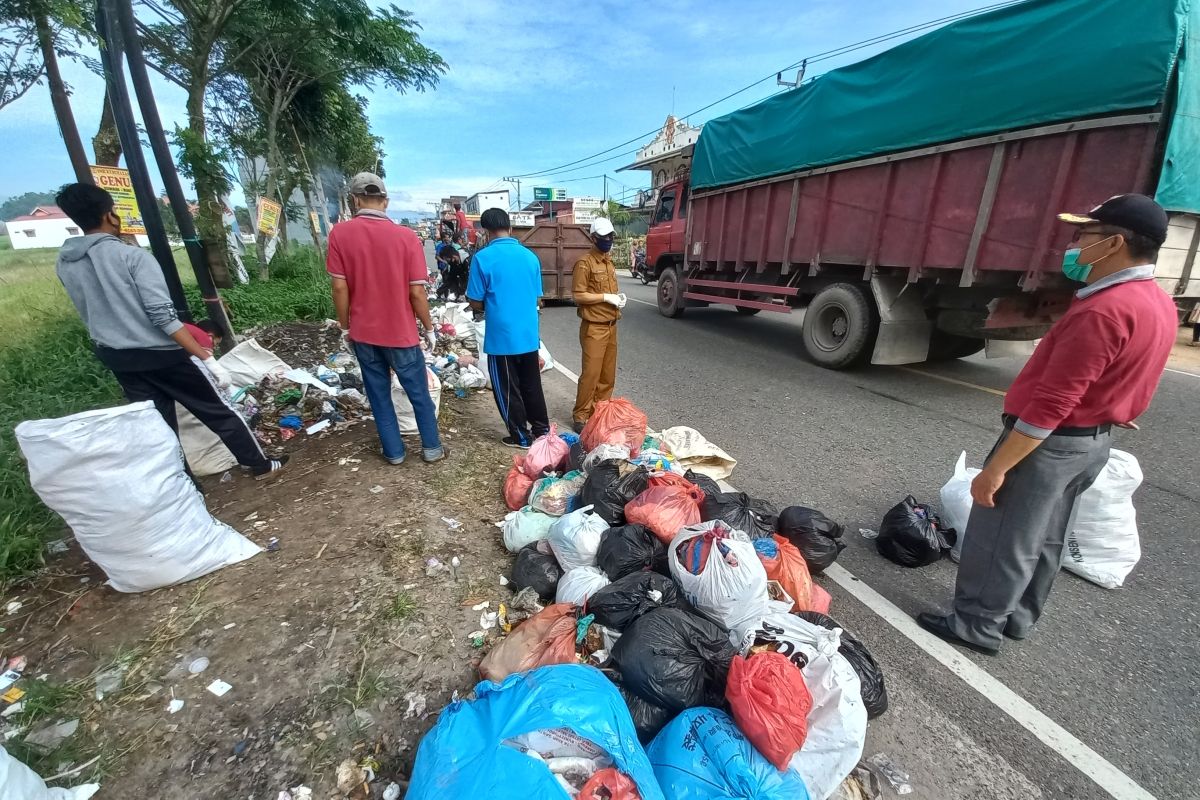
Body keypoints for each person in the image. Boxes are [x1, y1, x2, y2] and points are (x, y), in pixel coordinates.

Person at [917, 194, 1178, 655]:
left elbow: (1053, 403)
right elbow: (1136, 372)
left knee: (1001, 535)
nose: (1075, 244)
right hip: (1092, 443)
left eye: (1085, 235)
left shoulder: (1104, 309)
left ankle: (976, 625)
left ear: (1114, 243)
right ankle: (1016, 617)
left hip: (1051, 444)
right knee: (1045, 536)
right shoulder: (1155, 301)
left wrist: (998, 467)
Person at [53, 183, 286, 479]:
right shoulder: (132, 257)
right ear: (109, 215)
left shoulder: (66, 263)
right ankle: (259, 464)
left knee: (159, 426)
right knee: (217, 410)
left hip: (119, 359)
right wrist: (207, 358)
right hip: (165, 356)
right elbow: (162, 316)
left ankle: (184, 486)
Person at [327, 172, 446, 465]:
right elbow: (417, 293)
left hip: (364, 333)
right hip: (401, 334)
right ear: (386, 201)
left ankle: (394, 453)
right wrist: (429, 328)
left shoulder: (340, 234)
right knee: (418, 392)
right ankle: (431, 449)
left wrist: (345, 327)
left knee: (379, 395)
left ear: (354, 200)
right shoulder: (406, 237)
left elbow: (339, 287)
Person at [465, 207, 549, 448]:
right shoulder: (530, 257)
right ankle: (542, 433)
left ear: (485, 231)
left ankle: (521, 437)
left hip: (501, 337)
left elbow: (475, 299)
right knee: (532, 384)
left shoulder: (482, 258)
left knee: (507, 389)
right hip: (528, 334)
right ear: (510, 227)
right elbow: (536, 298)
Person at [571, 217, 626, 433]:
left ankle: (599, 413)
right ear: (593, 238)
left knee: (607, 376)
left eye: (611, 235)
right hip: (594, 327)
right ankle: (581, 415)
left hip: (612, 324)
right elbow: (578, 294)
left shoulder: (609, 262)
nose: (609, 239)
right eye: (604, 237)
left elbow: (609, 292)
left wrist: (617, 298)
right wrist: (604, 297)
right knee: (591, 374)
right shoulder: (585, 263)